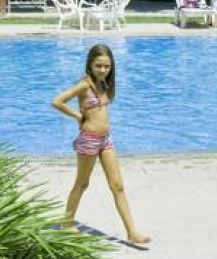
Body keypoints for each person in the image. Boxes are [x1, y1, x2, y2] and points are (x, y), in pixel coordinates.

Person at [51, 44, 150, 245]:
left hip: (106, 140)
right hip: (89, 140)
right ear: (90, 64)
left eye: (106, 66)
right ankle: (67, 224)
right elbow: (57, 101)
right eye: (98, 66)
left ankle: (132, 232)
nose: (103, 70)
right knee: (82, 184)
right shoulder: (84, 85)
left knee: (118, 186)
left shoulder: (104, 84)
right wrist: (77, 116)